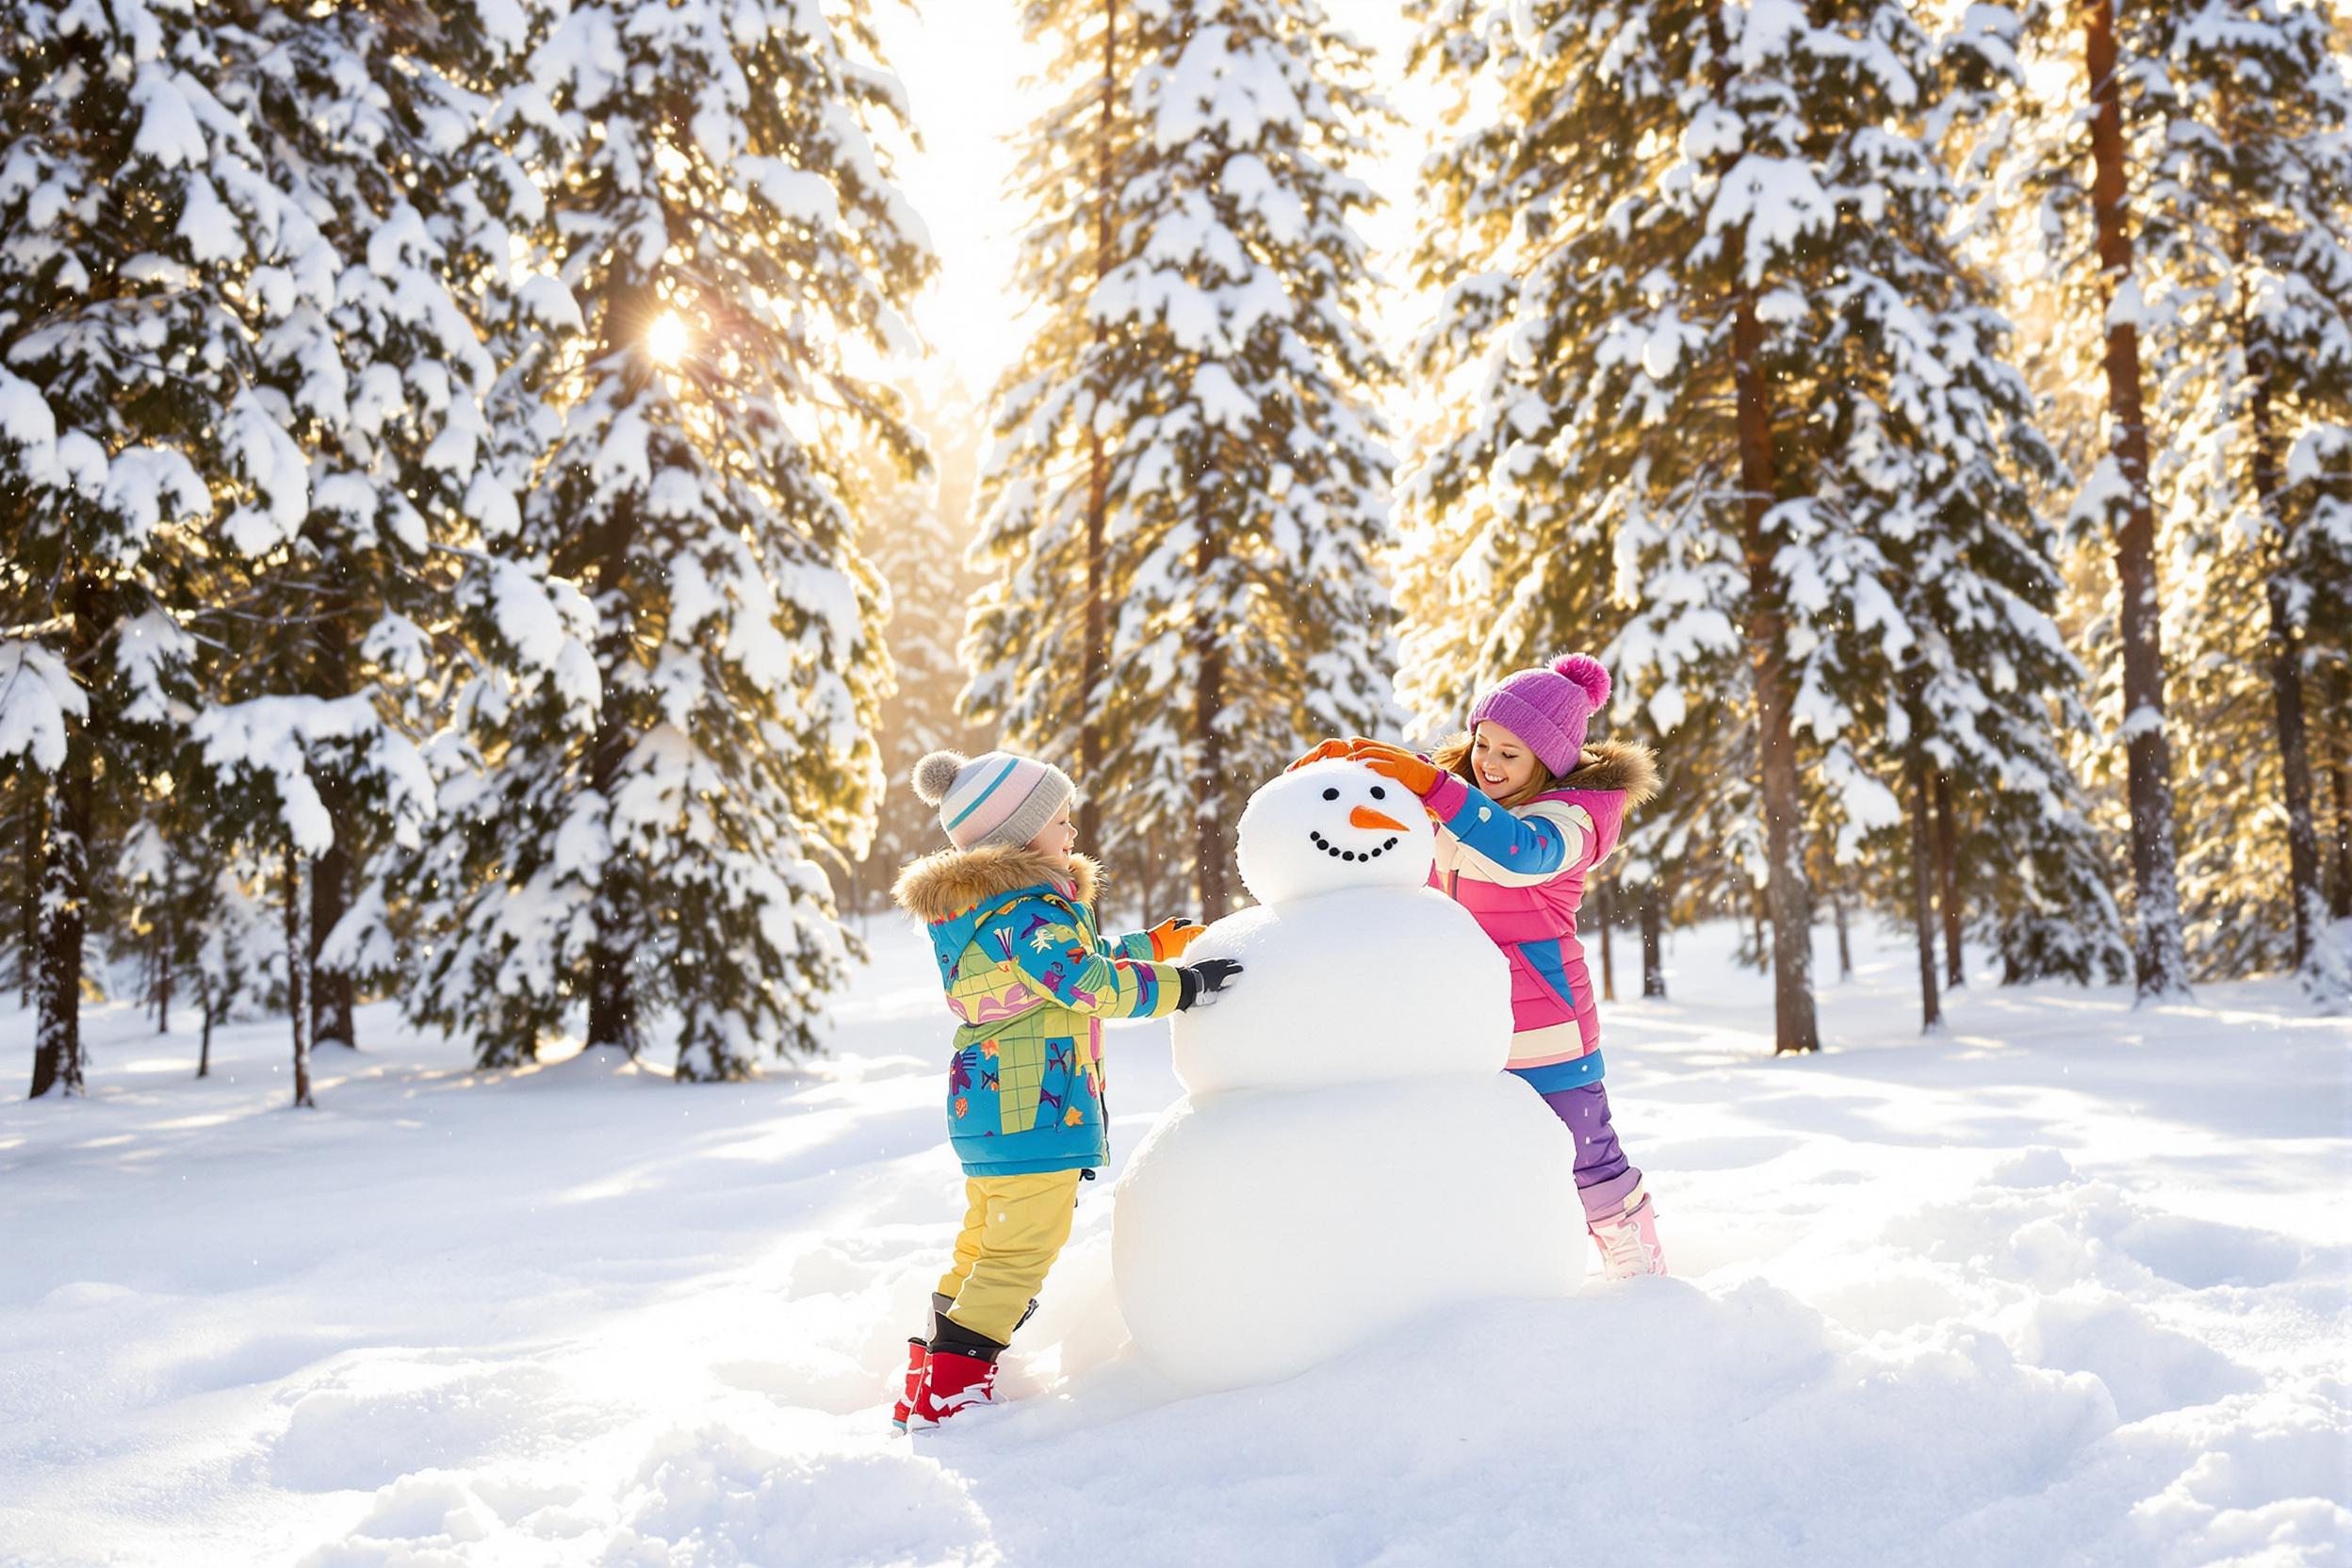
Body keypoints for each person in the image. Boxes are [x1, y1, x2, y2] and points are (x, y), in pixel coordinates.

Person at [888, 747, 1242, 1428]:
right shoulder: (1025, 914)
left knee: (984, 1245)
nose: (1071, 834)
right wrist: (1186, 988)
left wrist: (1151, 946)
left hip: (992, 1108)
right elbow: (1087, 985)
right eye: (1060, 822)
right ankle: (949, 1398)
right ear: (1020, 837)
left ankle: (928, 1376)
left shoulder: (1001, 912)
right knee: (1019, 1252)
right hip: (1030, 1106)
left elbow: (1077, 962)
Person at [1297, 655, 1666, 1277]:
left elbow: (1522, 855)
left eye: (1510, 754)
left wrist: (1437, 789)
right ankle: (1502, 1269)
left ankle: (1637, 1266)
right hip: (1464, 1021)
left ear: (1549, 763)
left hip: (1545, 1024)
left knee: (1585, 1156)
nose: (1488, 763)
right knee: (1473, 1152)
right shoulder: (1462, 810)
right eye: (1482, 744)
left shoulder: (1571, 820)